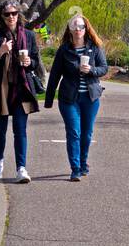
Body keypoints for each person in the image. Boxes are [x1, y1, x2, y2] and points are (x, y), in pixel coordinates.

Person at [0, 1, 43, 183]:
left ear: (18, 14)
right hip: (0, 89)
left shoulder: (29, 36)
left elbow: (36, 62)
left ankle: (21, 168)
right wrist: (0, 51)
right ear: (1, 16)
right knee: (0, 130)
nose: (11, 17)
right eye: (7, 14)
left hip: (21, 88)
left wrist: (29, 63)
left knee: (20, 130)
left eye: (14, 13)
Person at [44, 14, 108, 181]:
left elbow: (104, 68)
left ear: (85, 29)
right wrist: (49, 99)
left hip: (90, 98)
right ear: (70, 30)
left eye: (81, 27)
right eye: (75, 27)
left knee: (86, 134)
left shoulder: (94, 47)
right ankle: (75, 169)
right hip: (69, 99)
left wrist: (91, 70)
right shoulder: (64, 50)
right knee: (74, 132)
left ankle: (83, 163)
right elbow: (55, 75)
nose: (78, 30)